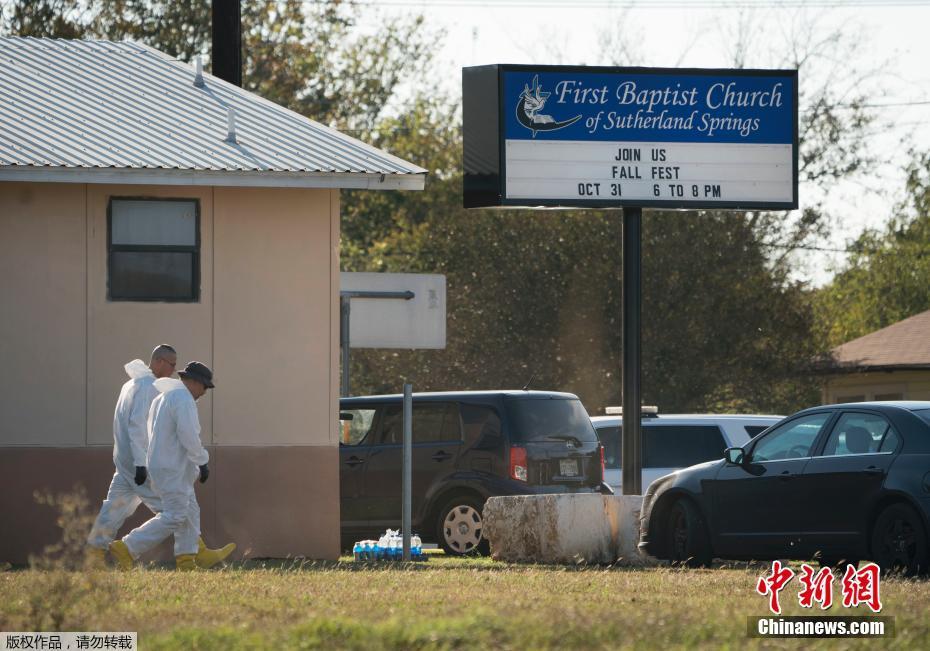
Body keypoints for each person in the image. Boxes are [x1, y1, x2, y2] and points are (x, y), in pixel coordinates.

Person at [109, 361, 234, 570]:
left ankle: (187, 558)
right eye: (204, 386)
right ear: (193, 382)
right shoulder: (184, 400)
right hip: (173, 468)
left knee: (191, 510)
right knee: (175, 515)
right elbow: (189, 436)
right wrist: (202, 461)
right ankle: (127, 547)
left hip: (166, 466)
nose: (204, 392)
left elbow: (152, 433)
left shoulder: (162, 397)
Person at [86, 345, 176, 563]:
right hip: (139, 463)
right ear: (159, 362)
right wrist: (140, 464)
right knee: (175, 509)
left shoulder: (131, 384)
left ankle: (94, 554)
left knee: (113, 509)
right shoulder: (148, 387)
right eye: (172, 364)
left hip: (125, 463)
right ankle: (130, 549)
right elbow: (137, 427)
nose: (174, 370)